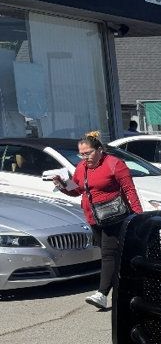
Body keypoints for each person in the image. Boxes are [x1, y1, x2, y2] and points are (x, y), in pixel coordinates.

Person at [51, 132, 143, 309]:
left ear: (99, 150)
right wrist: (62, 186)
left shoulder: (115, 164)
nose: (85, 157)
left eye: (88, 153)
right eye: (82, 154)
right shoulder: (81, 167)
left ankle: (101, 293)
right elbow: (77, 190)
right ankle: (125, 291)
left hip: (114, 217)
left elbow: (130, 190)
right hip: (94, 218)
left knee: (108, 255)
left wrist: (138, 216)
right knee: (114, 257)